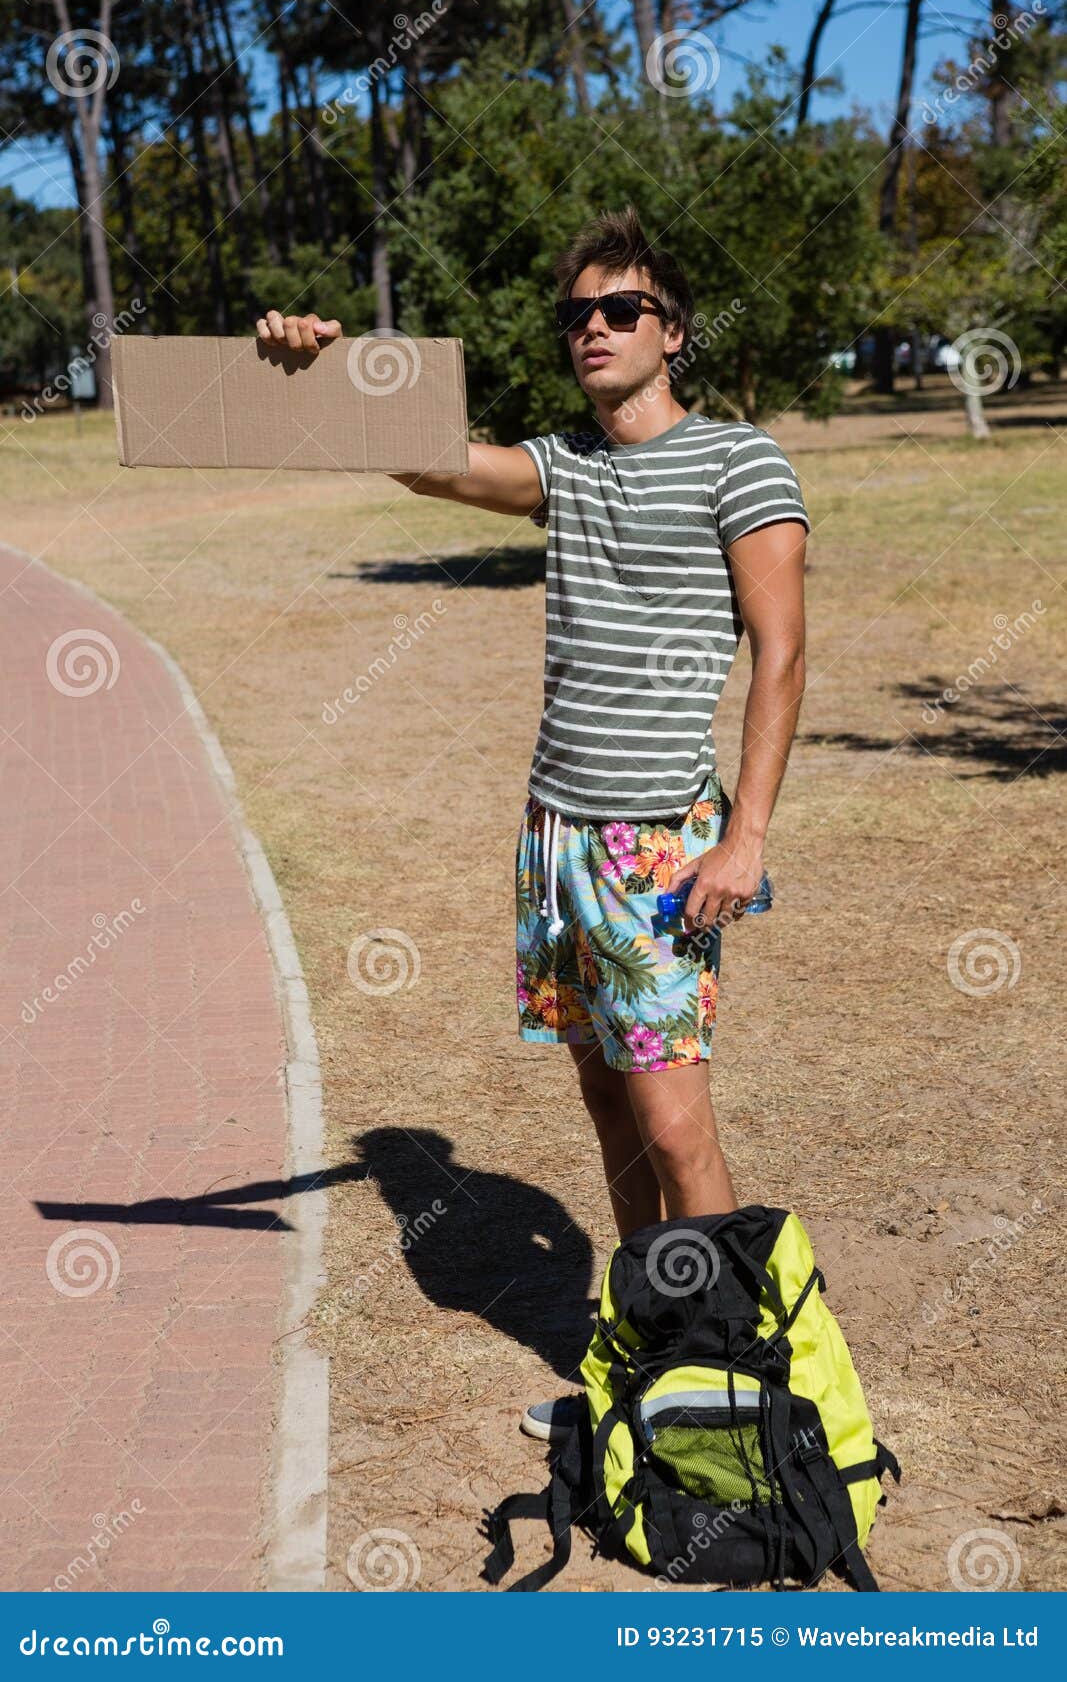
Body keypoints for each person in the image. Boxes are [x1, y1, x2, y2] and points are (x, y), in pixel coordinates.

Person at [255, 203, 809, 1445]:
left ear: (670, 329)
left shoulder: (739, 460)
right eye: (577, 315)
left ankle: (729, 1391)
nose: (595, 330)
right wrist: (330, 367)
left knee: (676, 1122)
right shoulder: (566, 463)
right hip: (555, 836)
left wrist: (749, 835)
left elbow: (780, 652)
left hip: (658, 843)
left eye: (621, 310)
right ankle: (652, 1351)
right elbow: (435, 461)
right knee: (609, 1103)